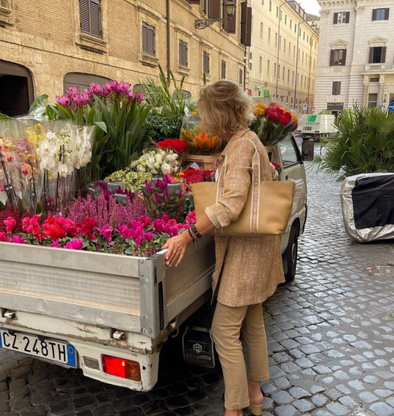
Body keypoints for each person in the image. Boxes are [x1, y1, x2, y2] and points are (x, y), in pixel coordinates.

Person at [162, 80, 285, 416]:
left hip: (244, 256)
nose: (204, 124)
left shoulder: (241, 147)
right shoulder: (250, 141)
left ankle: (234, 409)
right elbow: (260, 185)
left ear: (220, 114)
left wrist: (187, 235)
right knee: (253, 323)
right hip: (259, 251)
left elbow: (230, 206)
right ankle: (255, 394)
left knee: (223, 332)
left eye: (206, 116)